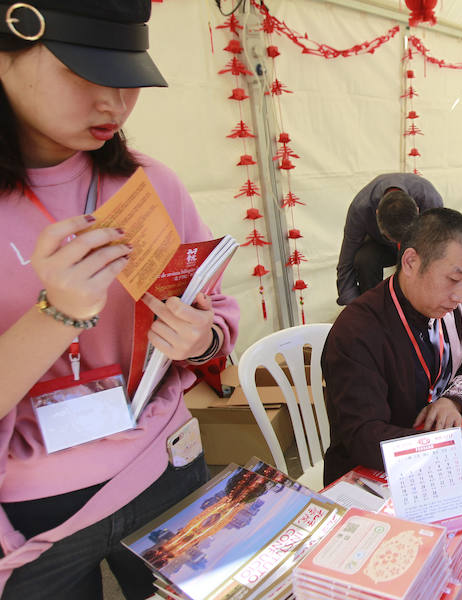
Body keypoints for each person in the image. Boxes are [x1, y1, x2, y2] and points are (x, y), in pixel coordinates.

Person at [0, 2, 239, 598]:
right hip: (35, 510)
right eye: (85, 73)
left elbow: (213, 315)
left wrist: (201, 338)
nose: (116, 103)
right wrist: (58, 314)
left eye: (130, 75)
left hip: (166, 464)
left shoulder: (148, 183)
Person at [322, 207, 462, 484]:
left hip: (434, 454)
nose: (461, 295)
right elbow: (363, 438)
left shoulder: (454, 307)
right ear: (410, 262)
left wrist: (454, 399)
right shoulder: (357, 330)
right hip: (370, 475)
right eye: (453, 279)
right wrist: (456, 449)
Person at [336, 173, 443, 305]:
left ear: (417, 209)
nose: (399, 245)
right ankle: (372, 307)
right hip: (382, 248)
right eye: (393, 239)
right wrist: (352, 306)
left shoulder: (429, 199)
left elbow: (440, 251)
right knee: (364, 258)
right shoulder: (360, 209)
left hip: (419, 246)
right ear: (377, 213)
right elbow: (346, 262)